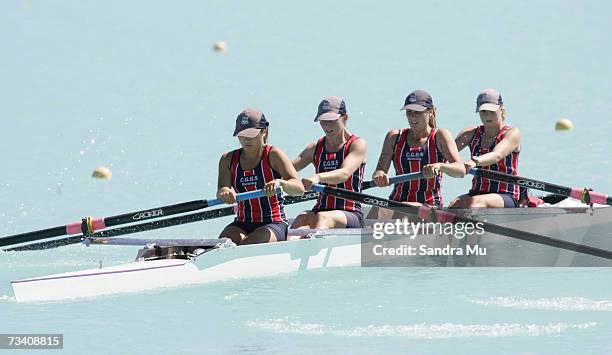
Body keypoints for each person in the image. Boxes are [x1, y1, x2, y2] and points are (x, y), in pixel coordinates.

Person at [217, 108, 304, 244]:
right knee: (221, 245)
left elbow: (299, 188)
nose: (246, 140)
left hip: (273, 223)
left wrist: (280, 183)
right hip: (241, 223)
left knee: (246, 245)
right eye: (242, 135)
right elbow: (222, 188)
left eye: (251, 134)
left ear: (264, 131)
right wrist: (224, 192)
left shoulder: (274, 155)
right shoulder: (227, 159)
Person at [371, 90, 465, 213]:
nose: (412, 117)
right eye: (409, 112)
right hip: (396, 203)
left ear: (430, 112)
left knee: (399, 210)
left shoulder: (440, 136)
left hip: (430, 206)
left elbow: (461, 171)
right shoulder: (394, 137)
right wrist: (379, 176)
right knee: (374, 212)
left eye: (418, 112)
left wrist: (440, 166)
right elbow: (379, 170)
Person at [291, 96, 367, 229]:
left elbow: (344, 173)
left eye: (331, 120)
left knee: (323, 218)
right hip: (320, 209)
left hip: (350, 213)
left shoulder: (357, 145)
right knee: (302, 218)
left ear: (345, 118)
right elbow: (286, 170)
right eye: (323, 121)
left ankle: (312, 247)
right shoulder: (315, 148)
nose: (326, 126)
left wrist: (318, 177)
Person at [449, 88, 522, 208]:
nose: (487, 115)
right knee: (453, 205)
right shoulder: (470, 133)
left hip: (505, 195)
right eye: (483, 112)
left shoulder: (512, 133)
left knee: (476, 203)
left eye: (491, 111)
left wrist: (474, 161)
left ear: (501, 110)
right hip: (476, 193)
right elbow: (444, 153)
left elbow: (496, 155)